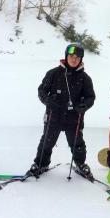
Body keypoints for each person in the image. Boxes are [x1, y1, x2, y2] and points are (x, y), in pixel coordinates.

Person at [28, 43, 96, 178]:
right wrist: (48, 101)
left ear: (81, 59)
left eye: (77, 57)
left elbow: (90, 97)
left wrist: (84, 105)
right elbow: (41, 90)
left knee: (77, 143)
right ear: (66, 56)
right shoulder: (53, 73)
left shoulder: (85, 78)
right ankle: (41, 163)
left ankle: (80, 164)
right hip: (54, 115)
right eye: (71, 55)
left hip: (74, 117)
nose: (74, 59)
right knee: (47, 141)